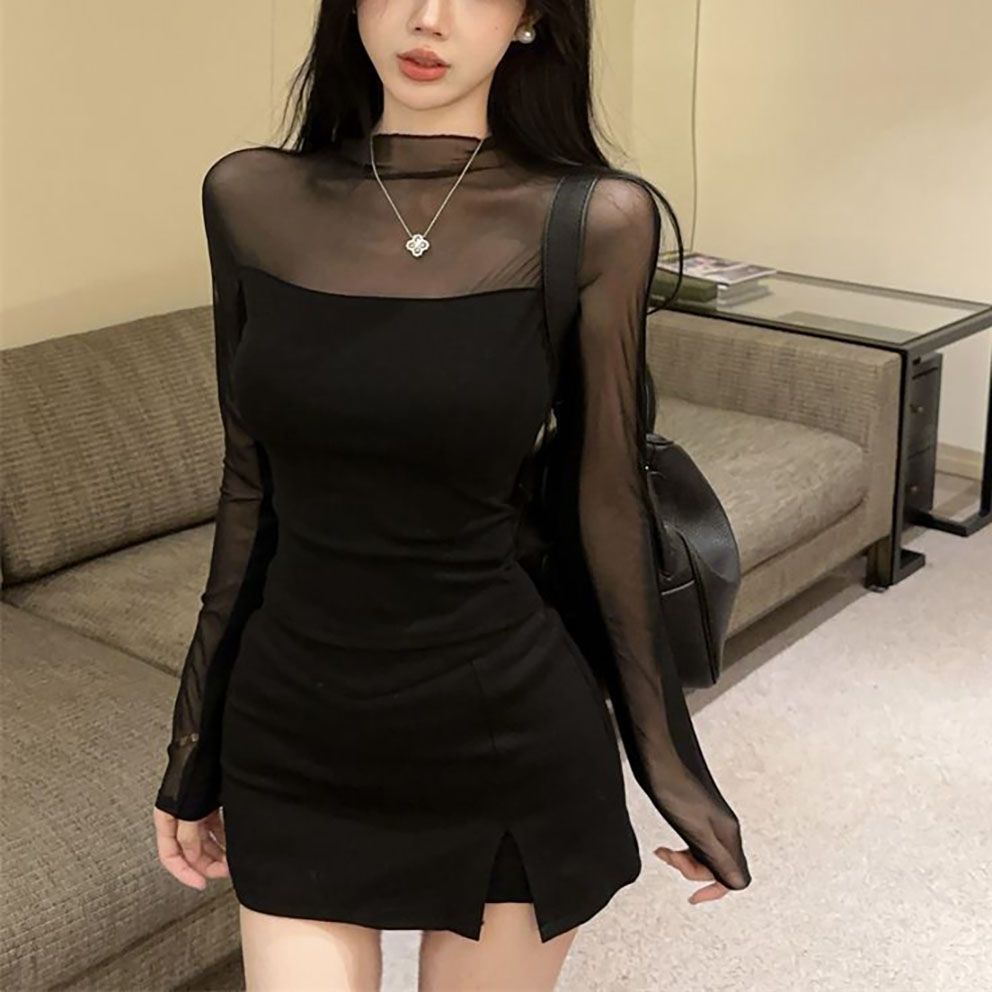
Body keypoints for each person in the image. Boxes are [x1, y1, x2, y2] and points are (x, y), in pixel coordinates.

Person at [152, 1, 752, 989]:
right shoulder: (250, 196)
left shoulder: (593, 219)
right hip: (294, 727)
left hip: (501, 725)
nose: (426, 18)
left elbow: (606, 505)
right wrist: (192, 745)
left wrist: (675, 770)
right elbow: (249, 488)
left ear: (530, 17)